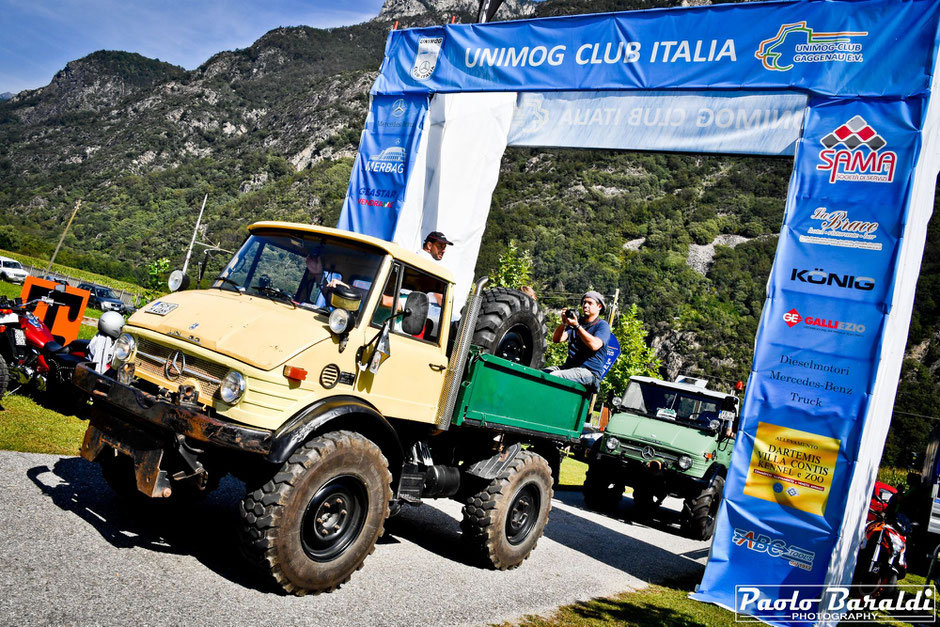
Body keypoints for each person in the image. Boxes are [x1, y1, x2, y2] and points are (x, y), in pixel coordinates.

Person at [545, 290, 612, 388]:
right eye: (584, 302)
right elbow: (557, 339)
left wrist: (577, 326)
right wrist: (563, 323)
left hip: (590, 373)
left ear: (599, 307)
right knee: (541, 374)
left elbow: (594, 345)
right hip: (569, 368)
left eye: (590, 303)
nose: (585, 305)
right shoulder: (577, 322)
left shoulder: (602, 326)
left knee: (555, 376)